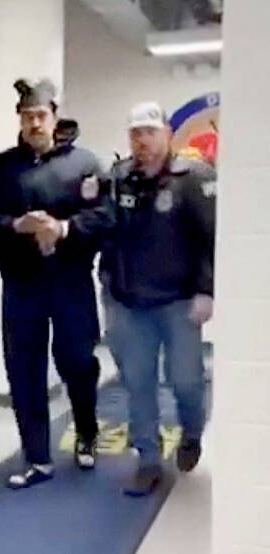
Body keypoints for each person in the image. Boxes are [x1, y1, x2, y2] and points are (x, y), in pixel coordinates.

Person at [0, 79, 111, 489]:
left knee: (77, 362)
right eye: (27, 117)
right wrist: (16, 225)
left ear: (55, 116)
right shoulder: (0, 169)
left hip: (71, 282)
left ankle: (86, 432)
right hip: (22, 285)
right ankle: (37, 458)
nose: (34, 123)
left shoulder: (85, 164)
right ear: (19, 119)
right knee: (24, 370)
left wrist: (64, 229)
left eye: (40, 115)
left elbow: (105, 217)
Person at [102, 101, 216, 496]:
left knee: (185, 381)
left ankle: (192, 433)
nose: (142, 141)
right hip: (131, 303)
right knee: (138, 383)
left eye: (150, 132)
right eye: (135, 133)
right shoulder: (119, 178)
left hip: (180, 302)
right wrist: (109, 285)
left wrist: (206, 291)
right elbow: (106, 230)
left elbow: (210, 239)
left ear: (167, 134)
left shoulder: (193, 178)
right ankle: (147, 458)